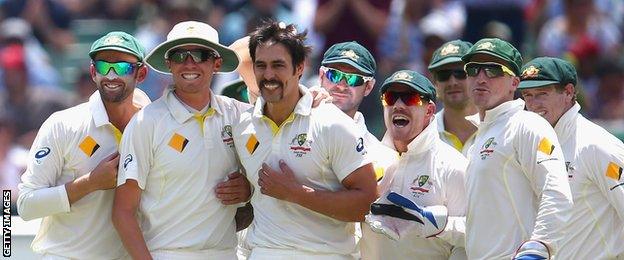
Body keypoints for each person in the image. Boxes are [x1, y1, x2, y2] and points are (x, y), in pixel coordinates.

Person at [232, 20, 377, 259]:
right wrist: (245, 189)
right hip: (262, 252)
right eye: (261, 65)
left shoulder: (332, 123)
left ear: (300, 68)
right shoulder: (243, 125)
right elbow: (238, 52)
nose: (269, 75)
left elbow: (367, 204)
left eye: (278, 65)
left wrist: (296, 194)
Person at [113, 21, 252, 259]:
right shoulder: (146, 122)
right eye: (179, 55)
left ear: (216, 63)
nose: (189, 63)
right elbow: (122, 212)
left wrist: (248, 189)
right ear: (169, 64)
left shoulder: (240, 115)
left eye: (200, 54)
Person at [17, 31, 151, 259]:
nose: (110, 75)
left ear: (142, 73)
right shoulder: (63, 125)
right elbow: (26, 205)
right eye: (103, 66)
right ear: (92, 72)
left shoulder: (152, 125)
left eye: (122, 68)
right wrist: (91, 183)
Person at [461, 38, 573, 259]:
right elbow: (482, 223)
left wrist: (538, 247)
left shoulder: (527, 125)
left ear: (515, 83)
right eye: (473, 69)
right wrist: (435, 224)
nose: (481, 78)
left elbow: (557, 193)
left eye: (493, 70)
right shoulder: (474, 142)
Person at [519, 57, 624, 259]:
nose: (532, 104)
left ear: (568, 92)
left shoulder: (595, 145)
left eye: (542, 94)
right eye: (527, 95)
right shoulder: (535, 144)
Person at [362, 70, 468, 260]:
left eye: (410, 98)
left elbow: (475, 234)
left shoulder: (453, 164)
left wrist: (441, 226)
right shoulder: (365, 158)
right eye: (391, 97)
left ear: (429, 110)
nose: (399, 105)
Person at [319, 41, 398, 180]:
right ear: (321, 76)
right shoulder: (295, 119)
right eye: (334, 75)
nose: (342, 86)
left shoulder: (378, 156)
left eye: (354, 79)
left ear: (368, 87)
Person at [427, 40, 478, 156]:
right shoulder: (424, 134)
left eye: (460, 73)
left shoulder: (498, 128)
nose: (452, 82)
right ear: (435, 83)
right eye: (443, 75)